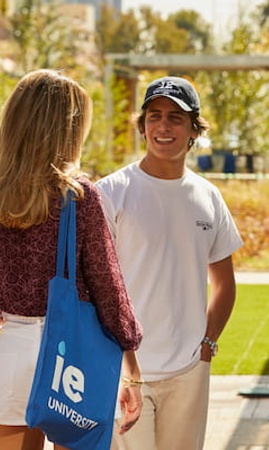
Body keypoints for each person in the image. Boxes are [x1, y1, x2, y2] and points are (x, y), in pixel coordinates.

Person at [96, 76, 243, 450]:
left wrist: (208, 343)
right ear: (142, 125)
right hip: (125, 370)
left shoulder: (208, 197)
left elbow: (225, 284)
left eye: (176, 118)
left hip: (189, 370)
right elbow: (94, 284)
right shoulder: (111, 192)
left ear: (194, 129)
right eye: (154, 116)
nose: (164, 126)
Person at [0, 69, 144, 450]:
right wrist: (131, 368)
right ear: (69, 129)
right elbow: (108, 288)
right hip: (69, 357)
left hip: (7, 354)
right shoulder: (78, 197)